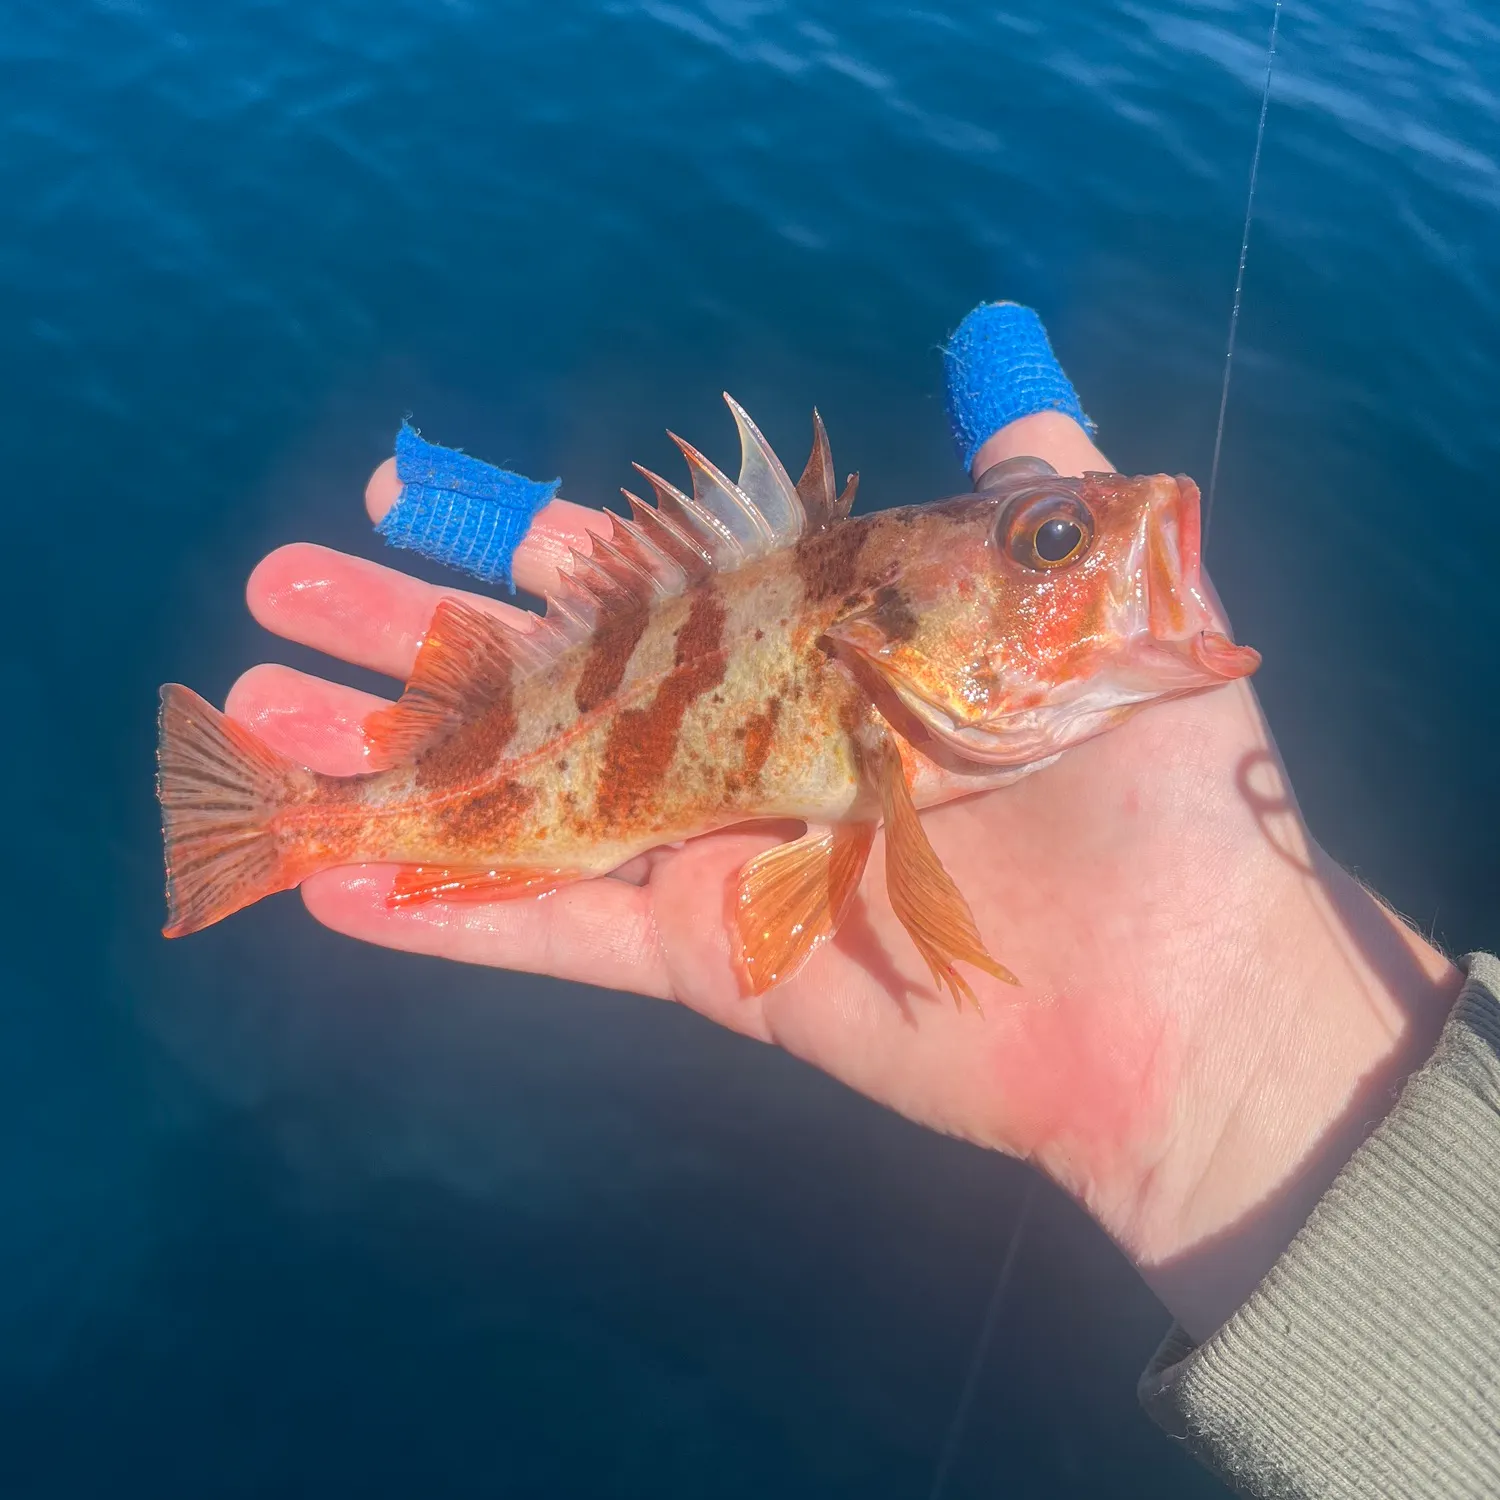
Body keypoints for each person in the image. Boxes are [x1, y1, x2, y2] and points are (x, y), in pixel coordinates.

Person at [229, 306, 1498, 1497]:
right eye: (1051, 543)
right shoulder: (862, 675)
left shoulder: (924, 693)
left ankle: (288, 823)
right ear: (880, 632)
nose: (1133, 535)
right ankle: (282, 822)